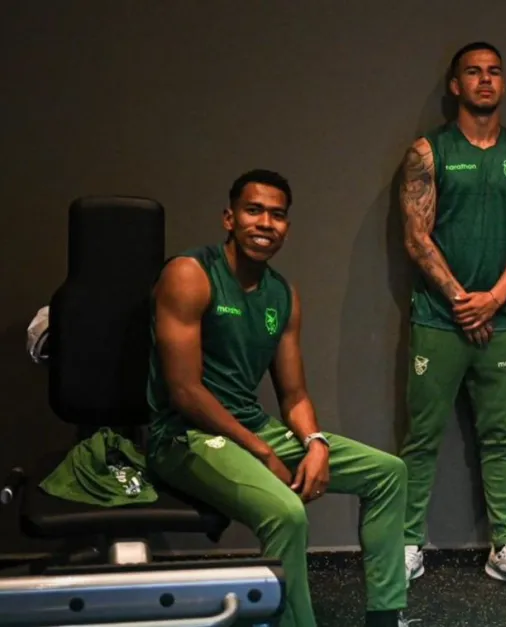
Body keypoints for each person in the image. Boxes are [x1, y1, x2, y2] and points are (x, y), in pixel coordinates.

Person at [145, 170, 413, 627]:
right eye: (254, 211)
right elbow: (186, 392)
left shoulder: (282, 294)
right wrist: (261, 449)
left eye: (278, 215)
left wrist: (315, 443)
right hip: (183, 436)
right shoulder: (190, 275)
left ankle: (386, 619)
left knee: (389, 473)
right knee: (287, 514)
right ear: (229, 218)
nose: (266, 223)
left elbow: (294, 394)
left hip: (250, 427)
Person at [397, 41, 506, 594]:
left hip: (501, 323)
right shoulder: (426, 152)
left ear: (502, 83)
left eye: (494, 72)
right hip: (438, 320)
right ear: (455, 85)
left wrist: (493, 300)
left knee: (500, 438)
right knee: (421, 437)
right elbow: (416, 235)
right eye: (473, 72)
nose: (485, 80)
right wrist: (465, 301)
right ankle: (408, 544)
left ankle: (504, 548)